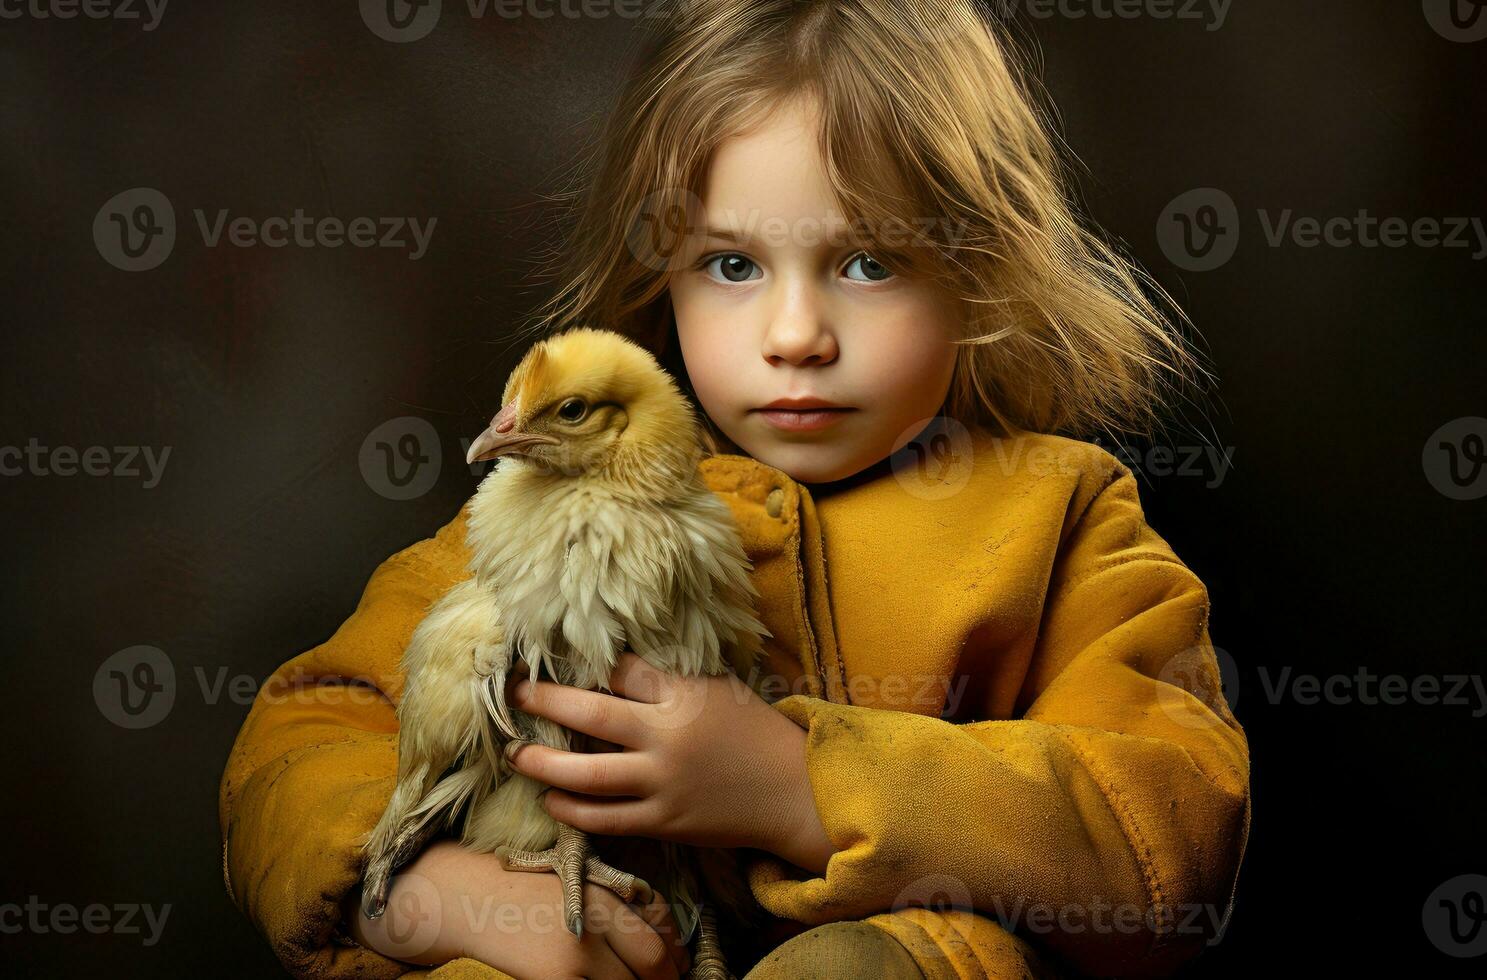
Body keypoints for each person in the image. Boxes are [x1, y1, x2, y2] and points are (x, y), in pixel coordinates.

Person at [218, 1, 1250, 977]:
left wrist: (803, 785)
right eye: (729, 265)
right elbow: (299, 739)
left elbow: (1171, 829)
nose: (794, 335)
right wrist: (432, 894)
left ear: (975, 270)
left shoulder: (1056, 512)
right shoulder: (549, 504)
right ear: (657, 273)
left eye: (867, 262)